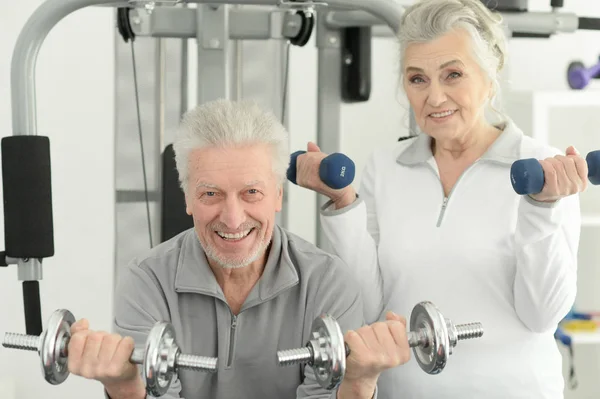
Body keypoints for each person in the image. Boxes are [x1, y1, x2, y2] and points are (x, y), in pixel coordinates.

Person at [293, 0, 587, 398]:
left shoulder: (544, 170)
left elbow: (542, 316)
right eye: (417, 79)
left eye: (453, 75)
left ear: (490, 74)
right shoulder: (386, 167)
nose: (434, 97)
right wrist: (344, 203)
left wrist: (542, 209)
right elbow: (369, 305)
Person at [65, 99, 412, 399]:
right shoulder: (146, 281)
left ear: (277, 195)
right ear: (187, 198)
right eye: (211, 194)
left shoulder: (328, 282)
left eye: (251, 193)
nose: (232, 219)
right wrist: (125, 387)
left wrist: (359, 382)